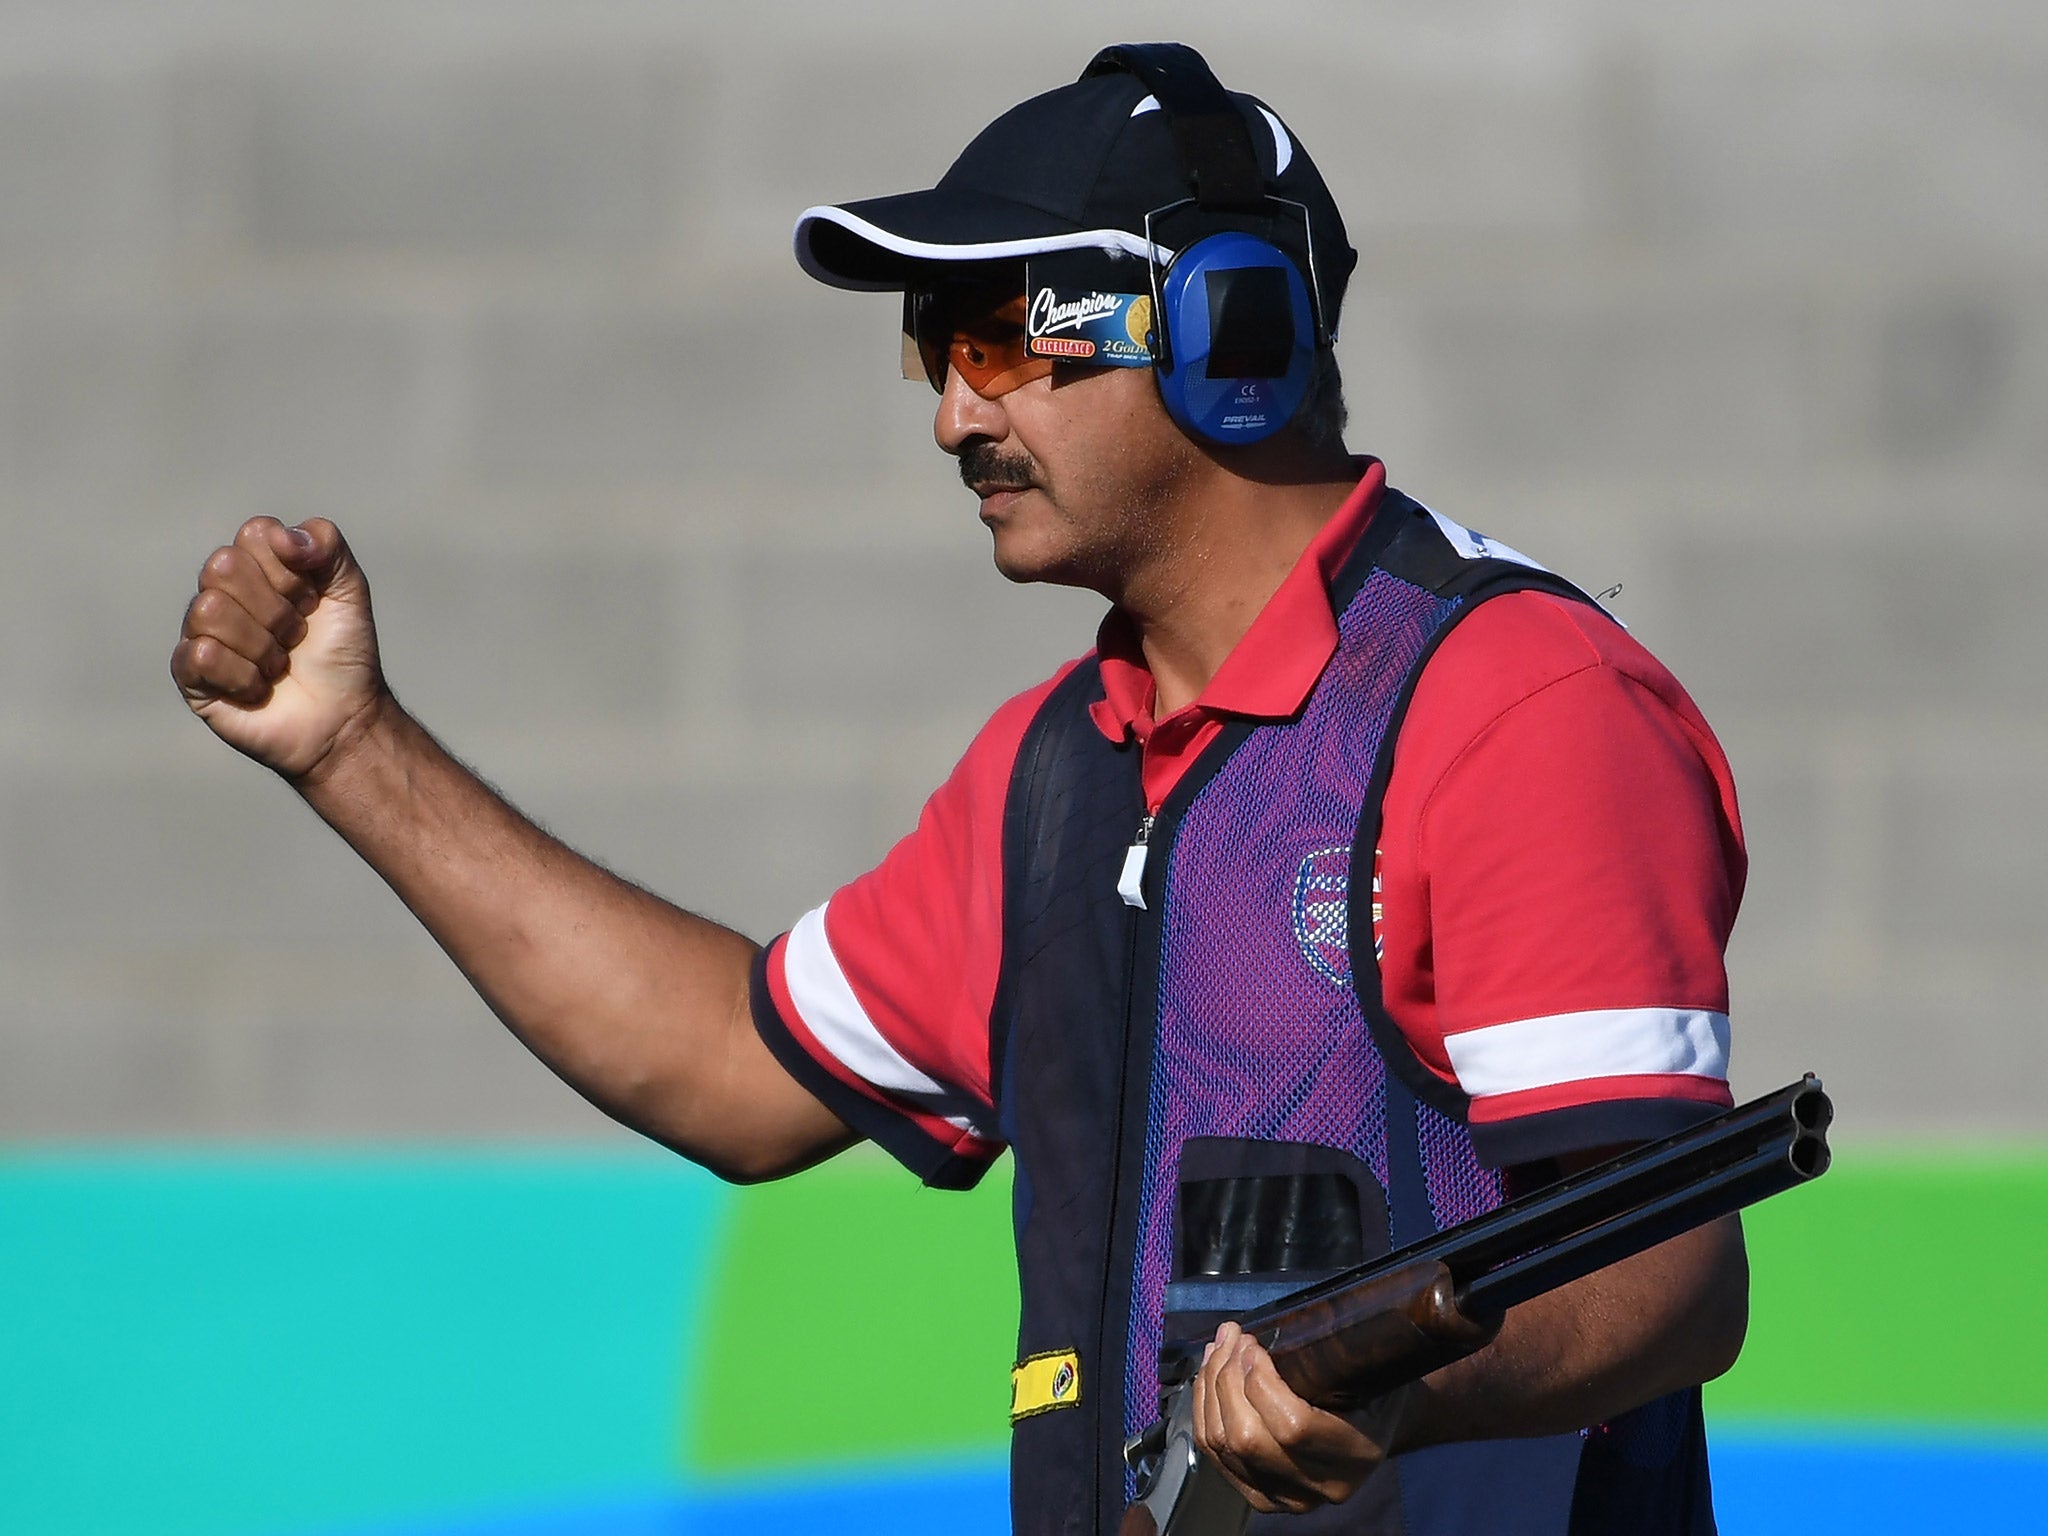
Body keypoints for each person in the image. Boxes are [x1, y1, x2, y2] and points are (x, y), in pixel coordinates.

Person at [171, 43, 1749, 1536]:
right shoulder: (1061, 763)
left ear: (1225, 326)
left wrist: (1395, 1385)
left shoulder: (1515, 706)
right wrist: (349, 744)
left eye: (997, 341)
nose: (950, 413)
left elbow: (1669, 1265)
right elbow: (732, 1068)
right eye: (935, 349)